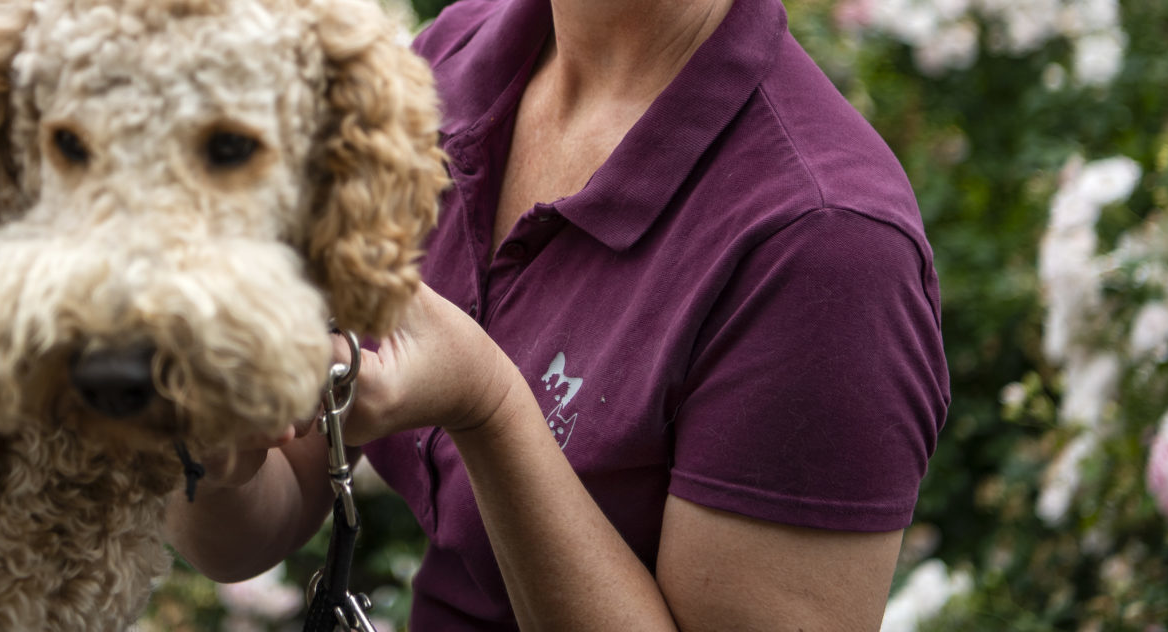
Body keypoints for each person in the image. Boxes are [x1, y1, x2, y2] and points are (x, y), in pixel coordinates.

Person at [164, 0, 949, 628]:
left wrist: (490, 409)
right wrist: (220, 443)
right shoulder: (453, 62)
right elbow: (250, 524)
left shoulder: (826, 246)